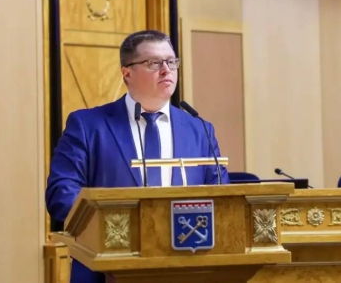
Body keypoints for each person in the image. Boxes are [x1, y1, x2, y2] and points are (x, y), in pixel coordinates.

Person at [45, 29, 229, 283]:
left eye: (171, 61)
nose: (166, 70)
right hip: (106, 270)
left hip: (188, 267)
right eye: (154, 63)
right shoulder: (88, 125)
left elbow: (222, 198)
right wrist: (112, 228)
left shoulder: (200, 130)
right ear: (127, 72)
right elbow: (61, 193)